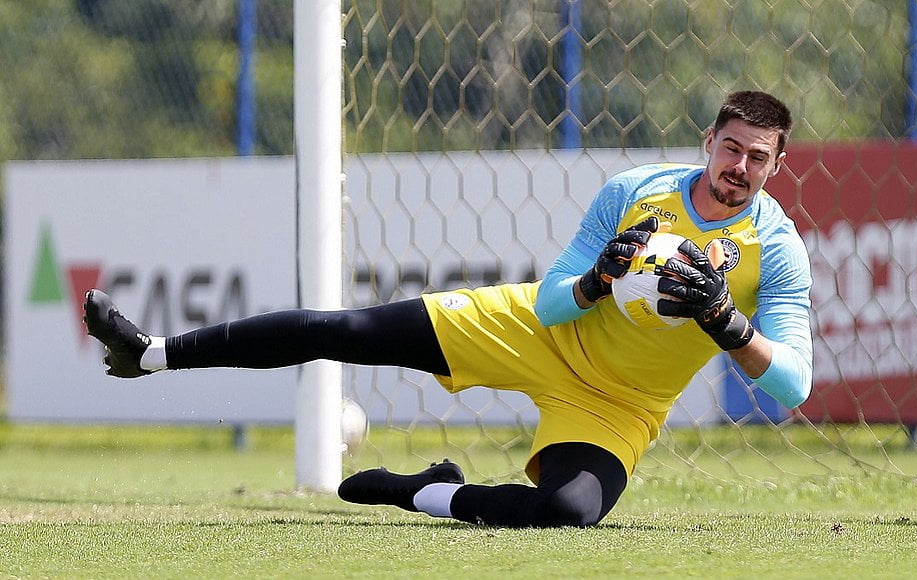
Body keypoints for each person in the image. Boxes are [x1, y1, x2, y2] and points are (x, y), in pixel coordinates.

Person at [84, 90, 812, 528]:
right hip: (533, 330)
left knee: (568, 515)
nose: (738, 169)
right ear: (706, 142)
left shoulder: (775, 249)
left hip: (620, 403)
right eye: (730, 149)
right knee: (349, 329)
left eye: (757, 158)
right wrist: (597, 279)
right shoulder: (634, 192)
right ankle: (151, 352)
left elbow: (793, 386)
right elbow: (557, 300)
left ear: (777, 166)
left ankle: (430, 492)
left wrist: (729, 326)